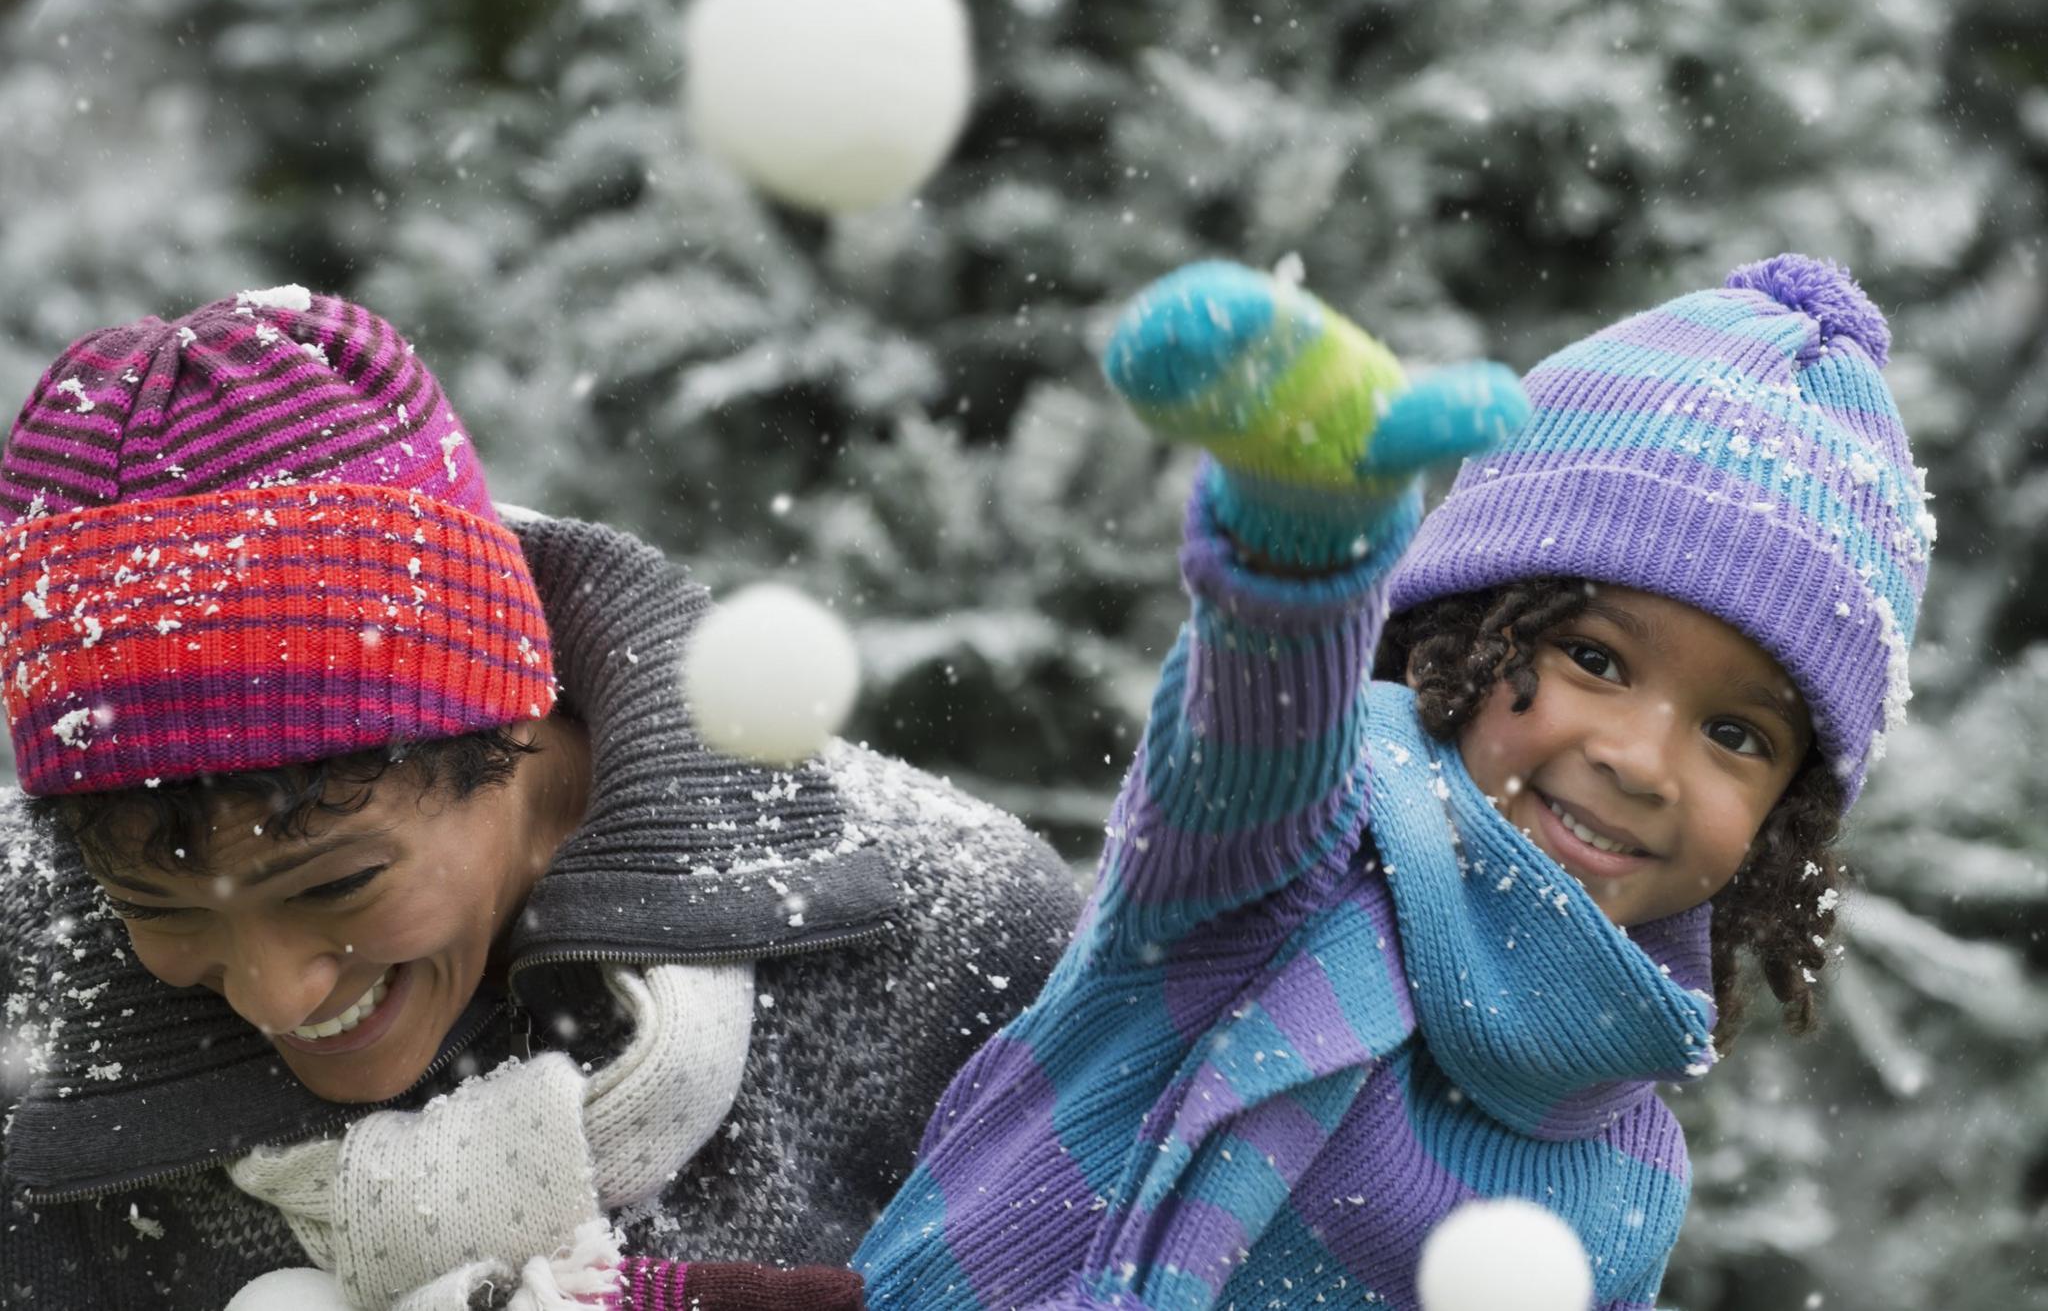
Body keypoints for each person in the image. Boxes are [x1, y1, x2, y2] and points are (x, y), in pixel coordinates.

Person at [854, 254, 1930, 1309]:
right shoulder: (1288, 857)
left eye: (1735, 734)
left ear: (1783, 820)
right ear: (1463, 628)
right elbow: (1254, 728)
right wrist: (1307, 547)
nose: (1640, 761)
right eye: (1592, 659)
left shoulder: (1627, 1185)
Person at [0, 287, 1084, 1308]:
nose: (277, 996)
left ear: (510, 715)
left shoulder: (950, 938)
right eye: (163, 907)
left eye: (338, 883)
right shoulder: (23, 979)